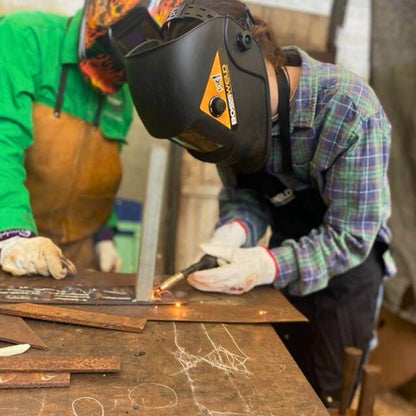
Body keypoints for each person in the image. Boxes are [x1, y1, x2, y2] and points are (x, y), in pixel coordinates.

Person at [125, 0, 396, 408]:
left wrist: (267, 265)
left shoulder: (350, 109)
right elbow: (245, 195)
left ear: (242, 59)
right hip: (285, 262)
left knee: (319, 398)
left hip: (346, 278)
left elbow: (351, 237)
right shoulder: (226, 120)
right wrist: (234, 230)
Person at [0, 0, 171, 279]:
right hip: (13, 239)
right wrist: (13, 236)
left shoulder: (124, 93)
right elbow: (3, 139)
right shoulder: (23, 37)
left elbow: (100, 171)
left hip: (75, 252)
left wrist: (103, 235)